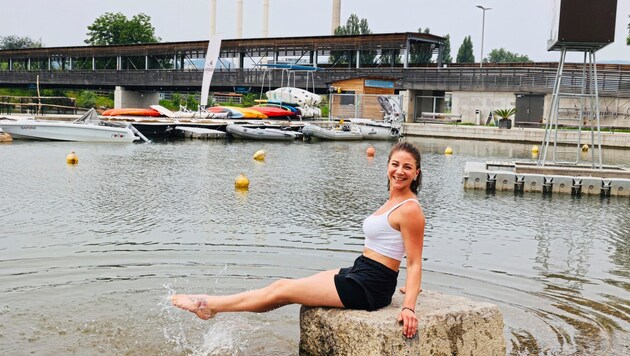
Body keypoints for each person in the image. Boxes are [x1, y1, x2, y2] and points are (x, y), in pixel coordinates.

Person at [171, 142, 426, 339]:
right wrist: (407, 286)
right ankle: (214, 307)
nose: (399, 171)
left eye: (407, 167)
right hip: (361, 270)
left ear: (416, 173)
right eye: (395, 164)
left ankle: (208, 304)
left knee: (283, 289)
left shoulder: (410, 208)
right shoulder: (393, 201)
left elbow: (414, 262)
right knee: (282, 289)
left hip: (370, 286)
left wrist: (409, 307)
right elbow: (392, 246)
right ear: (387, 166)